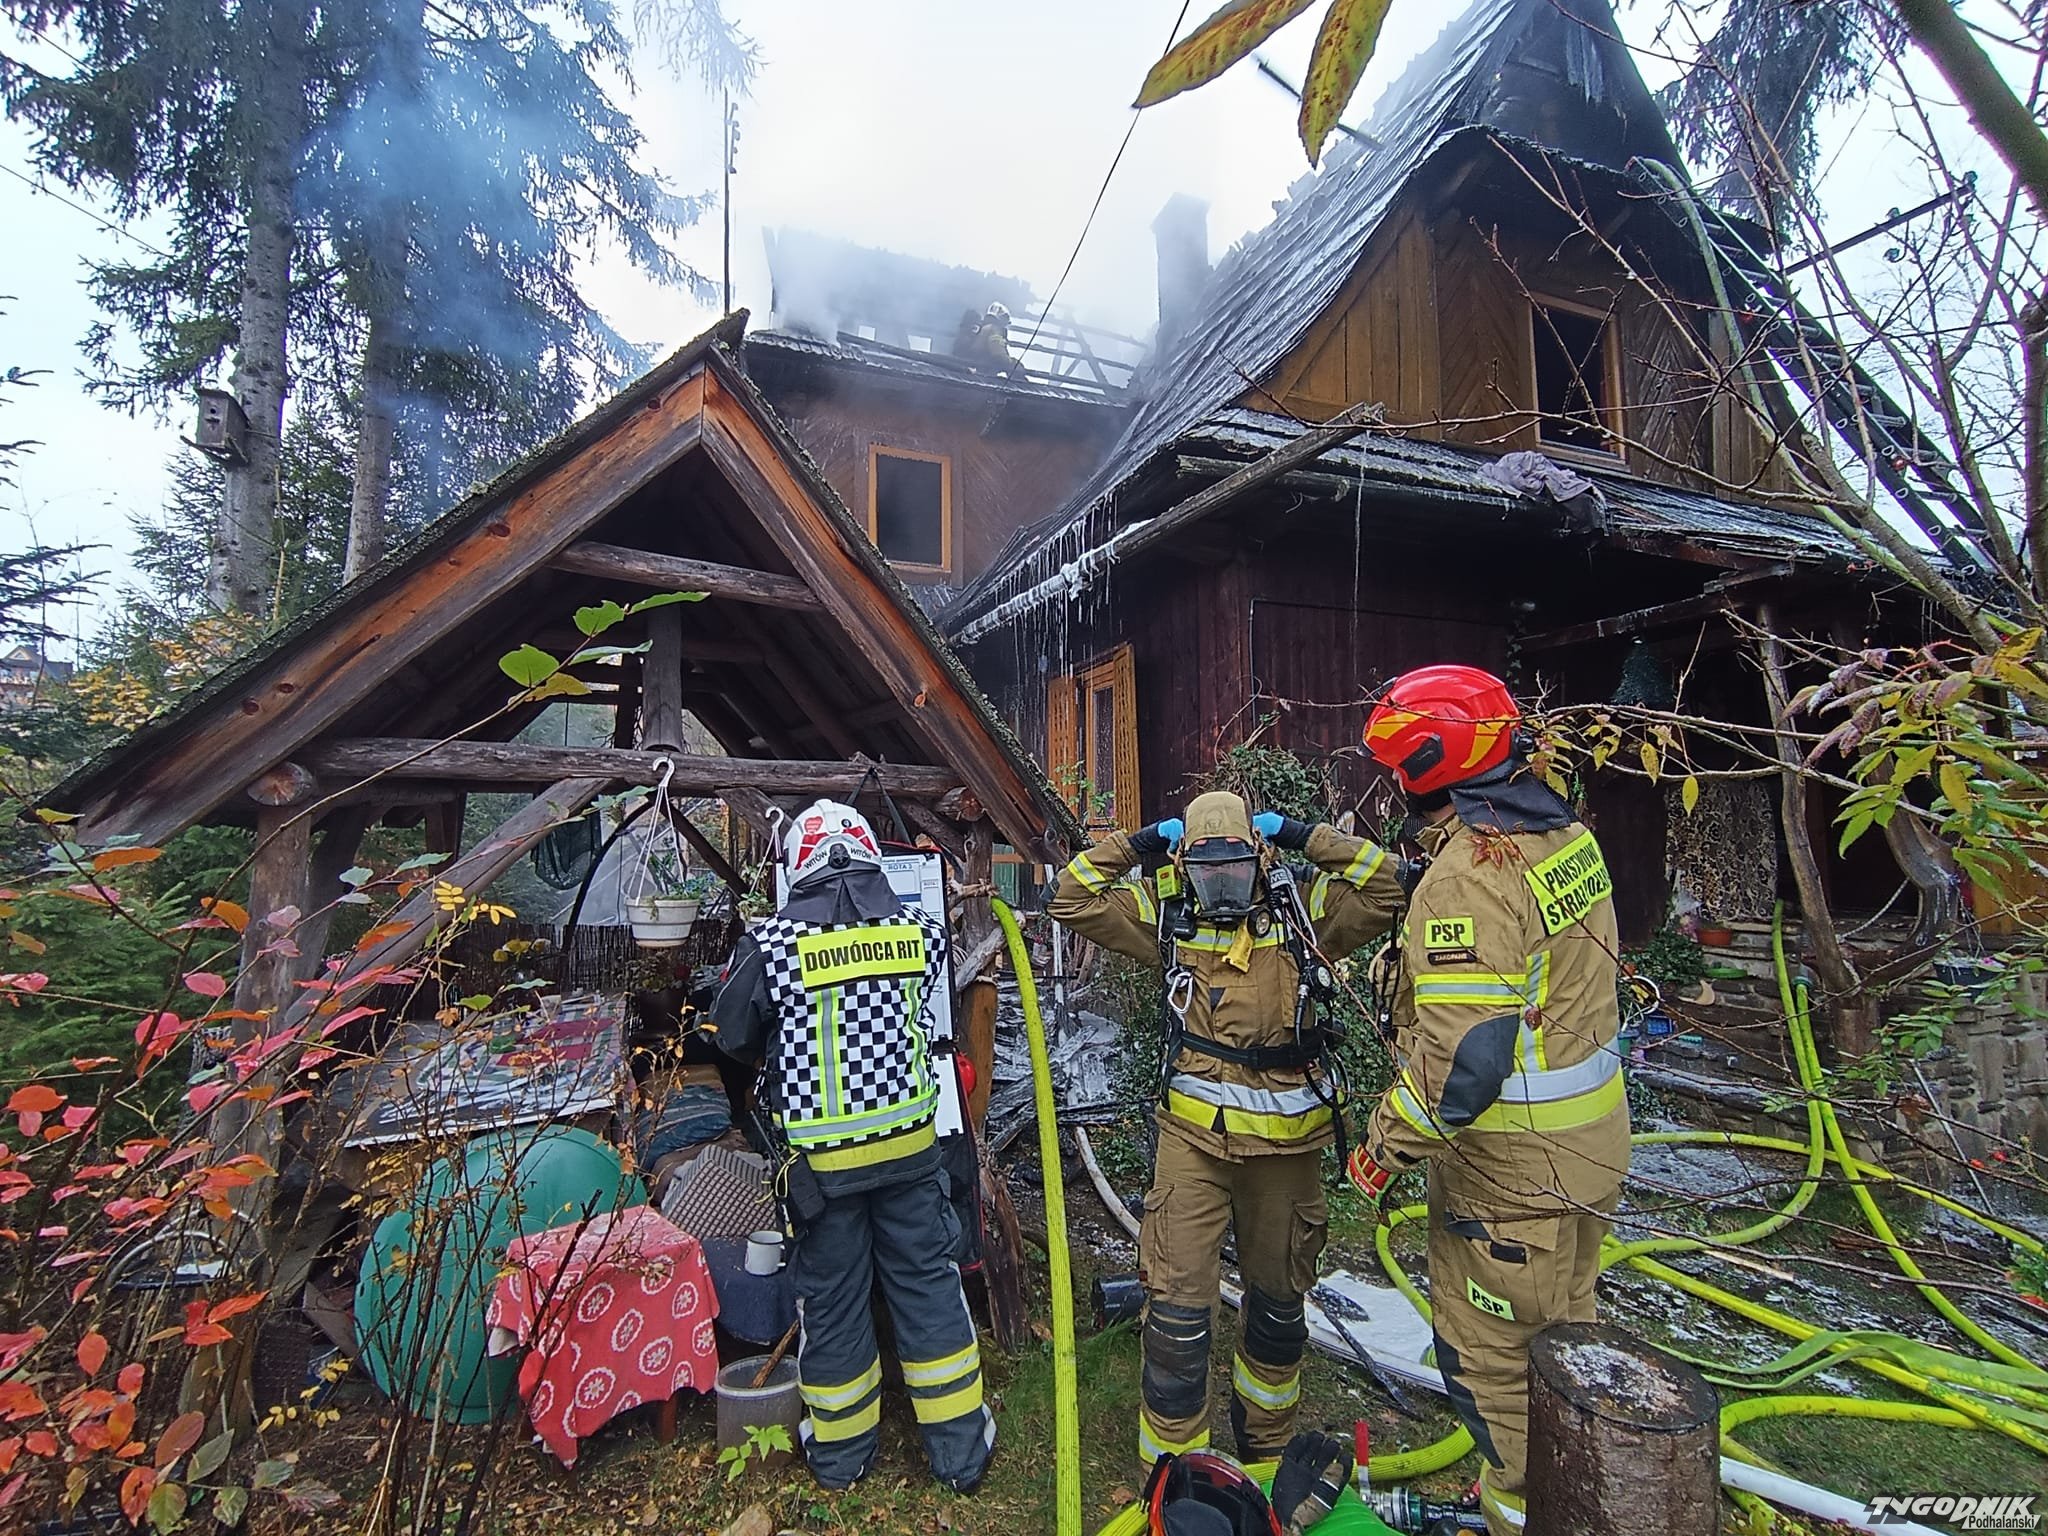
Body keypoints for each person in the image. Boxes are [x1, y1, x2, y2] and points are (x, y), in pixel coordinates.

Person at [1349, 665, 1629, 1535]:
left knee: (1501, 1380)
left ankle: (1518, 1512)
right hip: (1588, 1159)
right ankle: (1572, 1503)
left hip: (1511, 1183)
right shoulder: (1563, 835)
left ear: (1425, 765)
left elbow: (1464, 1066)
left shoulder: (1470, 876)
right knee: (1567, 1355)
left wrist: (1382, 1147)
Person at [1049, 790, 1404, 1469]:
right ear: (1185, 864)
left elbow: (1390, 886)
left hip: (1286, 1150)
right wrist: (1139, 841)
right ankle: (1176, 1473)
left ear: (1259, 857)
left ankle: (1266, 1451)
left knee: (1278, 1310)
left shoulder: (1302, 912)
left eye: (1234, 868)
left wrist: (1304, 834)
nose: (1221, 886)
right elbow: (1069, 897)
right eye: (1207, 870)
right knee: (1176, 1320)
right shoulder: (1168, 914)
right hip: (1194, 1146)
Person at [711, 799, 993, 1492]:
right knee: (928, 1287)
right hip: (911, 1156)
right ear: (871, 859)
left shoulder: (771, 946)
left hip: (823, 1173)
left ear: (798, 867)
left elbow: (733, 1037)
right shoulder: (920, 933)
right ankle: (959, 1453)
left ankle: (841, 1456)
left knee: (834, 1303)